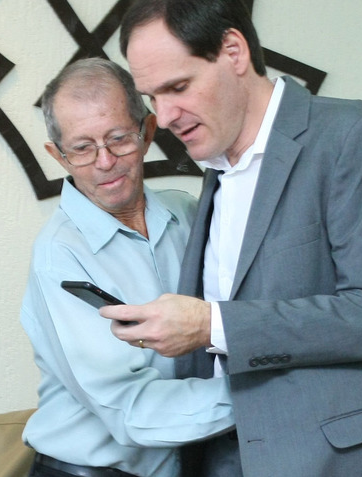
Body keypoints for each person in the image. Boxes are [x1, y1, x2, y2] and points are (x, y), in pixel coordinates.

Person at [99, 0, 362, 476]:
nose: (166, 116)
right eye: (153, 97)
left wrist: (210, 325)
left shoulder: (352, 135)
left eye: (177, 87)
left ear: (234, 51)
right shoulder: (217, 169)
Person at [20, 57, 234, 477]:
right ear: (59, 156)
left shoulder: (188, 214)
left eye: (118, 139)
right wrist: (268, 396)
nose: (105, 161)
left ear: (147, 132)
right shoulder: (59, 254)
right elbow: (131, 411)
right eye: (82, 148)